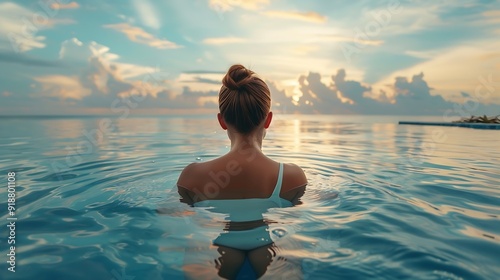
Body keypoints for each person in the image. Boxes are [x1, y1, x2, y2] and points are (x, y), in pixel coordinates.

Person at [177, 64, 307, 279]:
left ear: (221, 121)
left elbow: (168, 213)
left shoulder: (193, 176)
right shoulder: (292, 176)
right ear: (268, 119)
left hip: (216, 244)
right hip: (268, 242)